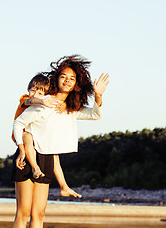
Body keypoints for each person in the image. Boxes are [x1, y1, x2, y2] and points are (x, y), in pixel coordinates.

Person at [13, 55, 109, 228]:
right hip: (29, 155)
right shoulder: (45, 102)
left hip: (48, 158)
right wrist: (21, 148)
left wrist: (98, 95)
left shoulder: (71, 109)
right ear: (56, 78)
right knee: (23, 213)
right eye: (63, 76)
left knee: (39, 214)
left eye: (72, 78)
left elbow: (95, 114)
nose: (67, 80)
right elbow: (19, 122)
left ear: (76, 84)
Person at [11, 73, 81, 194]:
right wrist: (41, 101)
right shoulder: (26, 98)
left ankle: (63, 186)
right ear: (28, 90)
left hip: (36, 136)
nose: (35, 94)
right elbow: (29, 101)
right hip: (22, 133)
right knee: (28, 138)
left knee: (54, 154)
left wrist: (64, 104)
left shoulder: (45, 105)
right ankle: (35, 167)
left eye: (40, 93)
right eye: (32, 90)